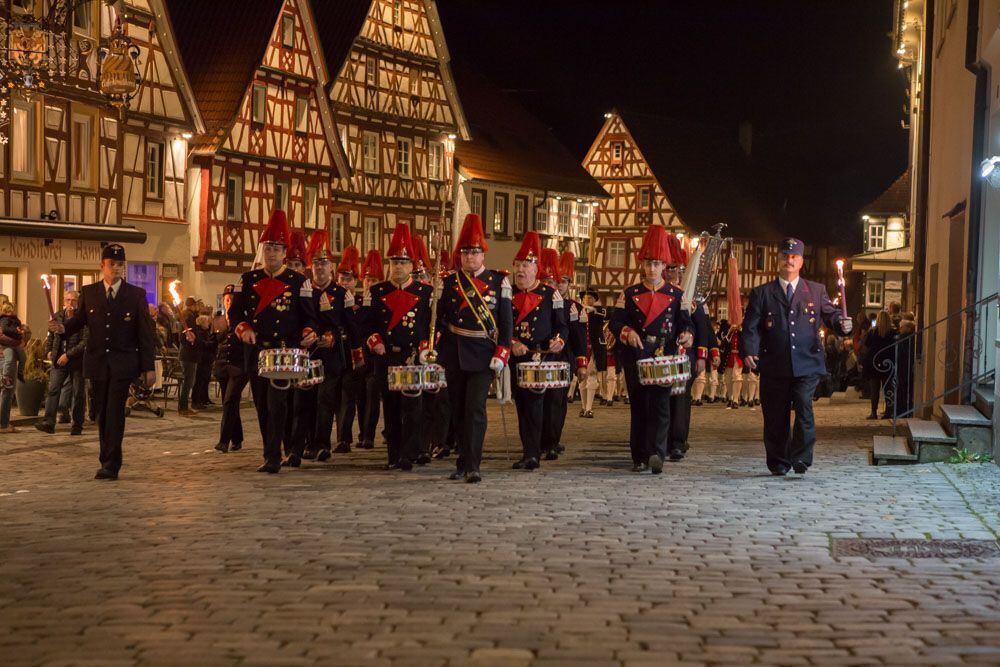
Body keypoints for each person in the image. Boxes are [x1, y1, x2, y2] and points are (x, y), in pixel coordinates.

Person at [740, 237, 852, 476]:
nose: (789, 260)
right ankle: (779, 461)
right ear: (778, 260)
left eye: (794, 257)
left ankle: (801, 457)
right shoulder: (763, 293)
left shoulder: (815, 290)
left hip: (807, 362)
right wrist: (749, 350)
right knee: (775, 414)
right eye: (784, 256)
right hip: (774, 364)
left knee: (803, 406)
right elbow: (750, 326)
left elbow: (831, 316)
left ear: (801, 261)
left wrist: (843, 325)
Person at [48, 244, 157, 479]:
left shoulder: (135, 295)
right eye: (112, 264)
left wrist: (148, 367)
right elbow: (79, 322)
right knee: (101, 412)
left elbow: (145, 333)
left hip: (123, 362)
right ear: (102, 266)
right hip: (97, 362)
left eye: (120, 265)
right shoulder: (90, 292)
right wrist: (62, 328)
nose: (117, 268)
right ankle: (105, 456)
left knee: (115, 411)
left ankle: (111, 463)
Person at [230, 210, 318, 474]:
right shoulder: (248, 280)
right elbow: (235, 312)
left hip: (284, 350)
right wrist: (243, 328)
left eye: (277, 248)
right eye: (267, 248)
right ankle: (277, 447)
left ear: (284, 253)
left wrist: (308, 332)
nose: (271, 253)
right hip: (257, 350)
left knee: (279, 402)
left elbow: (309, 316)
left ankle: (273, 456)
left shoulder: (297, 281)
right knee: (261, 404)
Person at [609, 224, 694, 474]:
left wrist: (687, 335)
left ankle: (657, 452)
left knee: (661, 406)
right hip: (637, 356)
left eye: (656, 264)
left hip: (663, 355)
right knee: (639, 406)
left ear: (664, 266)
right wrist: (627, 332)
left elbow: (686, 323)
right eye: (648, 263)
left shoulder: (676, 295)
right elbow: (615, 322)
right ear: (643, 265)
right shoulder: (630, 293)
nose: (652, 269)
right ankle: (640, 456)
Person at [435, 214, 513, 483]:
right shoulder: (449, 282)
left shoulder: (498, 282)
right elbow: (440, 319)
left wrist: (502, 352)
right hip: (455, 352)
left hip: (482, 355)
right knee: (457, 409)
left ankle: (474, 464)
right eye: (466, 252)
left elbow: (505, 322)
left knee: (475, 409)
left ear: (483, 255)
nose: (470, 257)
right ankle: (462, 460)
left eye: (475, 252)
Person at [364, 223, 433, 470]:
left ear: (412, 266)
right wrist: (375, 341)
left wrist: (426, 347)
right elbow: (368, 323)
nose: (398, 267)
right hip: (387, 357)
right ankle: (394, 455)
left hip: (412, 357)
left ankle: (410, 451)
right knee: (391, 408)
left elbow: (428, 325)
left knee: (413, 407)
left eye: (403, 262)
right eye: (394, 262)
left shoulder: (425, 292)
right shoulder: (377, 290)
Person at [292, 231, 361, 464]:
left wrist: (350, 351)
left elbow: (351, 328)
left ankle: (321, 444)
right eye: (316, 263)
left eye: (324, 263)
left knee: (325, 400)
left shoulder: (342, 295)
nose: (320, 268)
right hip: (308, 354)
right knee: (305, 401)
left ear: (331, 267)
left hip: (331, 355)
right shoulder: (304, 291)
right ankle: (303, 444)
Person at [508, 236, 568, 470]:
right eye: (518, 265)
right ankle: (529, 450)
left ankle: (534, 452)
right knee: (522, 405)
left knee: (536, 405)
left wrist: (559, 340)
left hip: (542, 357)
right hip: (517, 358)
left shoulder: (549, 295)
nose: (521, 270)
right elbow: (500, 325)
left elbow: (561, 326)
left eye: (526, 265)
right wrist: (512, 341)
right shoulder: (507, 293)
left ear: (536, 269)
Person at [539, 249, 585, 460]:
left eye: (563, 281)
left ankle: (552, 440)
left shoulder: (572, 307)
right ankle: (539, 440)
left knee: (557, 402)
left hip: (562, 359)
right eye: (556, 281)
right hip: (540, 357)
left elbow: (578, 338)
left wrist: (581, 362)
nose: (559, 285)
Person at [36, 291, 88, 435]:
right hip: (58, 359)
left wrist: (69, 355)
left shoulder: (82, 318)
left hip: (76, 361)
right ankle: (48, 422)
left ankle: (77, 424)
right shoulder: (58, 316)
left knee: (78, 393)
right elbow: (51, 334)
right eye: (67, 300)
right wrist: (49, 350)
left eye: (73, 300)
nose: (70, 303)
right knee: (53, 389)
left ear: (78, 302)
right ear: (63, 301)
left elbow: (85, 341)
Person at [213, 284, 246, 453]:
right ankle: (237, 438)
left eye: (231, 300)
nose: (229, 303)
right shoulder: (218, 320)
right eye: (226, 299)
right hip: (222, 366)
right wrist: (192, 338)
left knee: (230, 400)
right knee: (230, 403)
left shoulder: (241, 319)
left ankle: (224, 441)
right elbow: (211, 344)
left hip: (238, 366)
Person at [861, 310, 896, 420]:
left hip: (874, 363)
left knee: (874, 389)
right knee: (888, 388)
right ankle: (888, 412)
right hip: (888, 363)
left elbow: (866, 345)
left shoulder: (873, 332)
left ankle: (873, 412)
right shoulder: (893, 332)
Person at [577, 288, 606, 418]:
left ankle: (589, 408)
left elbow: (607, 313)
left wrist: (593, 310)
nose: (587, 300)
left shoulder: (598, 312)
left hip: (594, 348)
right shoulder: (578, 311)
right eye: (585, 298)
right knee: (581, 377)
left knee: (592, 376)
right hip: (581, 349)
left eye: (590, 298)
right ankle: (583, 407)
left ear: (595, 300)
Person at [0, 301, 25, 434]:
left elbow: (25, 332)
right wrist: (17, 341)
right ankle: (3, 424)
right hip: (5, 359)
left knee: (6, 389)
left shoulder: (10, 320)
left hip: (6, 358)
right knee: (7, 390)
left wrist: (22, 334)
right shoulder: (4, 321)